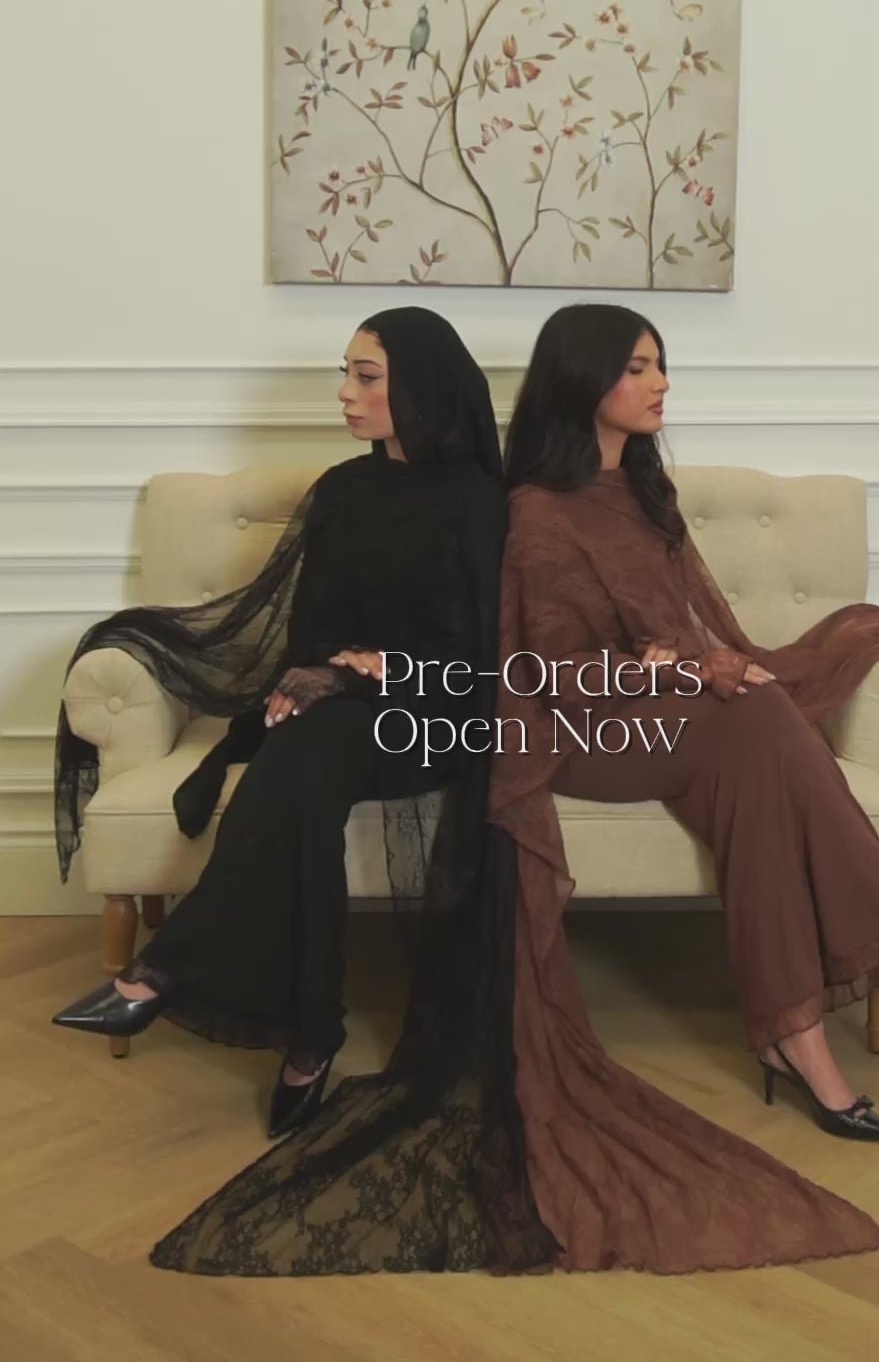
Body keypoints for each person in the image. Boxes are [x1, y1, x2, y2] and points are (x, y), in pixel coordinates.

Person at [485, 302, 879, 1273]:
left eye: (661, 364)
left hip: (662, 709)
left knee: (759, 764)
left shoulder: (643, 491)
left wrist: (695, 665)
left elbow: (687, 630)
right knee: (761, 711)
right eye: (637, 367)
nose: (661, 384)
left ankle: (797, 1040)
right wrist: (688, 670)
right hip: (583, 729)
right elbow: (551, 674)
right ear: (581, 378)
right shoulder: (538, 512)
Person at [51, 307, 558, 1274]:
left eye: (367, 376)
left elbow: (494, 656)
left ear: (421, 386)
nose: (346, 394)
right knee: (298, 764)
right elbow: (312, 626)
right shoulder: (341, 491)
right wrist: (318, 673)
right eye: (345, 373)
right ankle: (309, 1032)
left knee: (301, 754)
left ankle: (173, 980)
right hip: (347, 713)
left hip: (441, 715)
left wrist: (384, 668)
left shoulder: (480, 503)